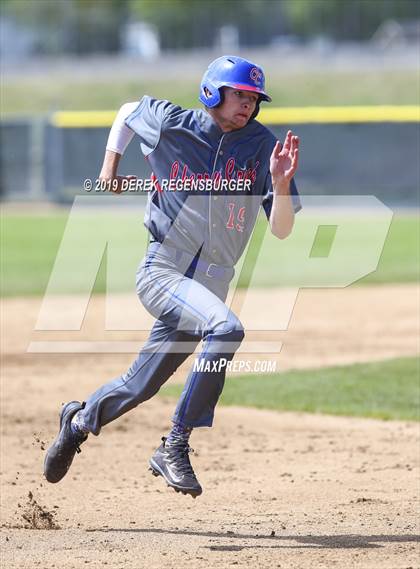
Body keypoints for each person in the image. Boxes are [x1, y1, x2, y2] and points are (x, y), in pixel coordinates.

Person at [44, 55, 301, 498]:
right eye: (240, 94)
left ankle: (79, 420)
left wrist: (278, 185)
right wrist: (110, 167)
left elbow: (280, 229)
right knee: (227, 327)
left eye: (255, 98)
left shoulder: (263, 146)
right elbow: (127, 112)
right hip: (163, 269)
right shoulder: (174, 123)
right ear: (213, 92)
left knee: (140, 385)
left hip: (210, 284)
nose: (248, 104)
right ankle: (175, 445)